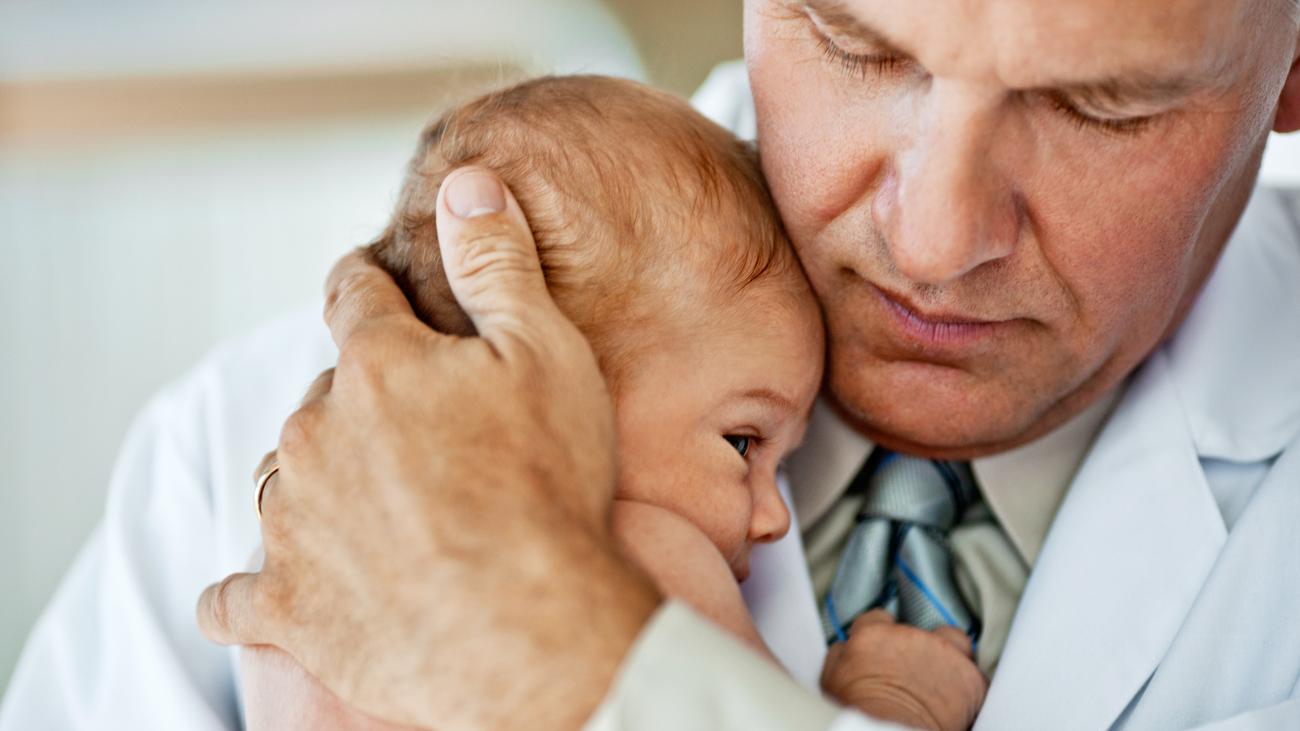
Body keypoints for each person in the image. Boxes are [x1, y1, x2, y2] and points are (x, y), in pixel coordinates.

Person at [3, 0, 1299, 728]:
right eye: (854, 42)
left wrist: (574, 663)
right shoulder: (265, 445)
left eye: (1102, 105)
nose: (936, 237)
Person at [239, 73, 987, 731]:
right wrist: (891, 702)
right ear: (548, 384)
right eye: (743, 443)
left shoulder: (294, 543)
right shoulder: (654, 557)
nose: (773, 513)